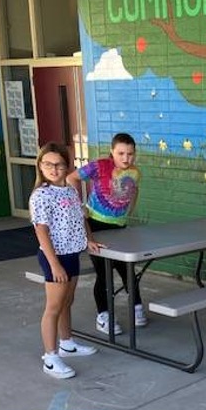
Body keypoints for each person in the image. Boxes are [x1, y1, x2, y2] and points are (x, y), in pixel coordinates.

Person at [29, 142, 100, 379]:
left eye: (59, 164)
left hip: (72, 253)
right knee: (53, 307)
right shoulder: (41, 195)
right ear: (40, 166)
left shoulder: (70, 190)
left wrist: (88, 239)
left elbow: (82, 217)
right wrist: (54, 264)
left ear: (66, 166)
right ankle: (50, 357)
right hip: (54, 257)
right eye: (48, 164)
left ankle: (67, 343)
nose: (54, 168)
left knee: (67, 302)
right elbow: (41, 231)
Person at [67, 132, 144, 335]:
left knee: (127, 269)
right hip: (96, 226)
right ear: (112, 152)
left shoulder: (135, 173)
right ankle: (104, 315)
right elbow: (72, 177)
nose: (126, 158)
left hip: (119, 227)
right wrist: (79, 204)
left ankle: (136, 307)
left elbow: (134, 191)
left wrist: (127, 213)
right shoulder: (99, 166)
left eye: (130, 154)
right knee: (104, 274)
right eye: (121, 153)